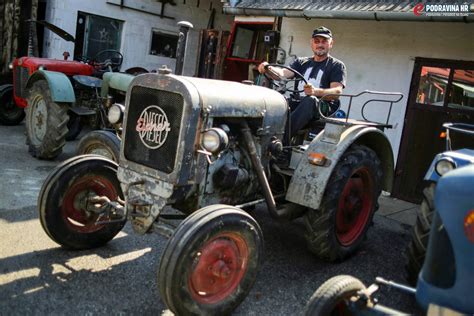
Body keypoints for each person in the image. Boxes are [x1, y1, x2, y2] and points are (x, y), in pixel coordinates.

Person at [258, 26, 347, 139]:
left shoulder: (336, 65)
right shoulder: (301, 62)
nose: (320, 45)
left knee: (310, 100)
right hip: (299, 102)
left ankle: (280, 140)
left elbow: (337, 92)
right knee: (279, 101)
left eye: (324, 41)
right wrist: (268, 68)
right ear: (312, 43)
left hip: (322, 107)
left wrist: (315, 91)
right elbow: (282, 74)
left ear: (331, 44)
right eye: (317, 41)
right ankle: (259, 135)